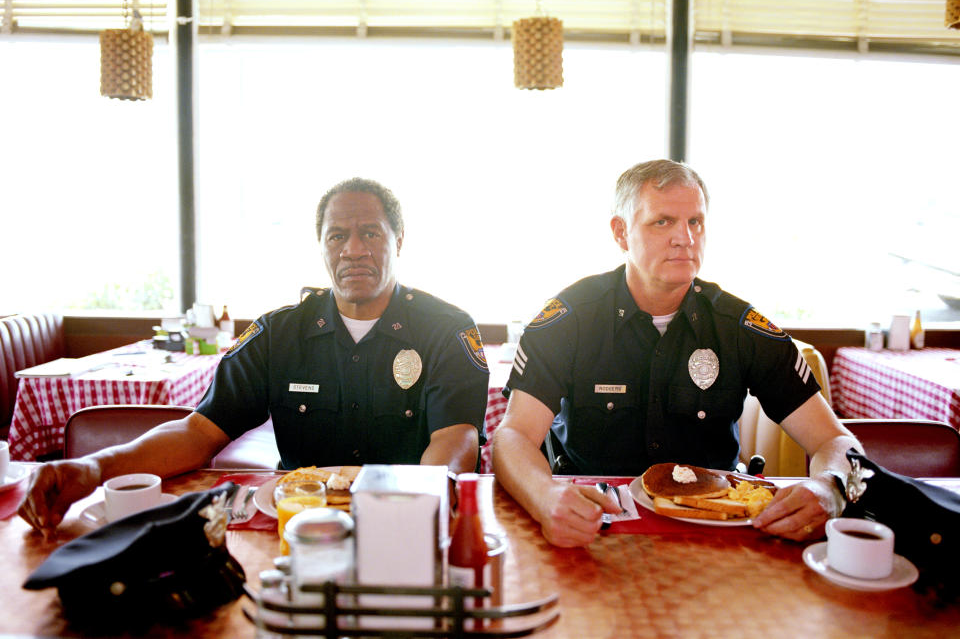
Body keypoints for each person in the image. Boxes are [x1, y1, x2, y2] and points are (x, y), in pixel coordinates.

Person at [20, 178, 490, 535]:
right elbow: (197, 430)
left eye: (370, 233)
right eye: (336, 236)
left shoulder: (446, 328)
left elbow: (455, 440)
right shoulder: (277, 333)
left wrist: (411, 513)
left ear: (398, 240)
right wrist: (95, 468)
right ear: (322, 245)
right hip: (299, 527)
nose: (353, 250)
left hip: (403, 523)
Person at [492, 159, 861, 548]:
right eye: (662, 222)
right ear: (621, 232)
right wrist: (545, 496)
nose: (684, 237)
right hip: (591, 525)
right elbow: (513, 435)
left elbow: (836, 442)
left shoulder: (737, 326)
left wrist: (828, 489)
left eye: (695, 222)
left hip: (712, 533)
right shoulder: (571, 319)